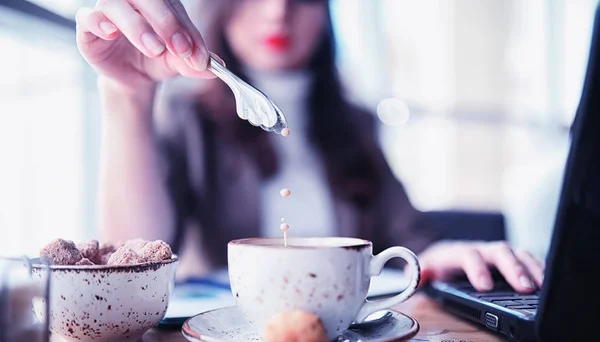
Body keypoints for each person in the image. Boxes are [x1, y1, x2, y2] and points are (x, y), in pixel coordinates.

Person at [75, 0, 543, 293]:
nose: (279, 9)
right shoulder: (187, 117)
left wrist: (439, 258)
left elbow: (408, 239)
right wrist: (129, 97)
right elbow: (132, 256)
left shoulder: (356, 124)